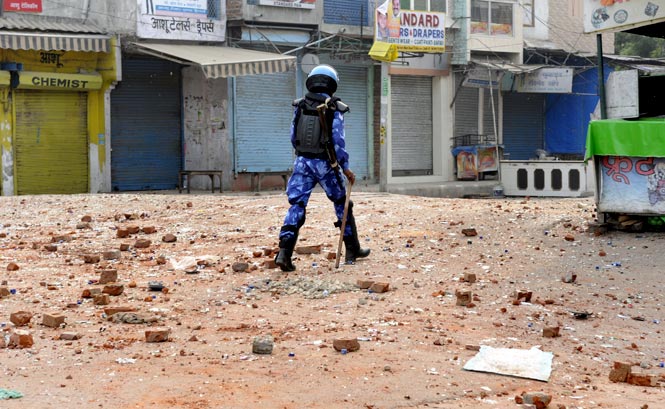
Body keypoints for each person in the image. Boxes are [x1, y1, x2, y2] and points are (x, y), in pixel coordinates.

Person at [275, 64, 370, 272]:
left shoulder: (299, 105)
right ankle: (352, 249)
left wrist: (304, 158)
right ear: (332, 84)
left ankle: (284, 252)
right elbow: (338, 141)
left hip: (302, 162)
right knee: (342, 204)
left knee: (297, 206)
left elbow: (293, 136)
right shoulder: (335, 107)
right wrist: (345, 168)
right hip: (327, 164)